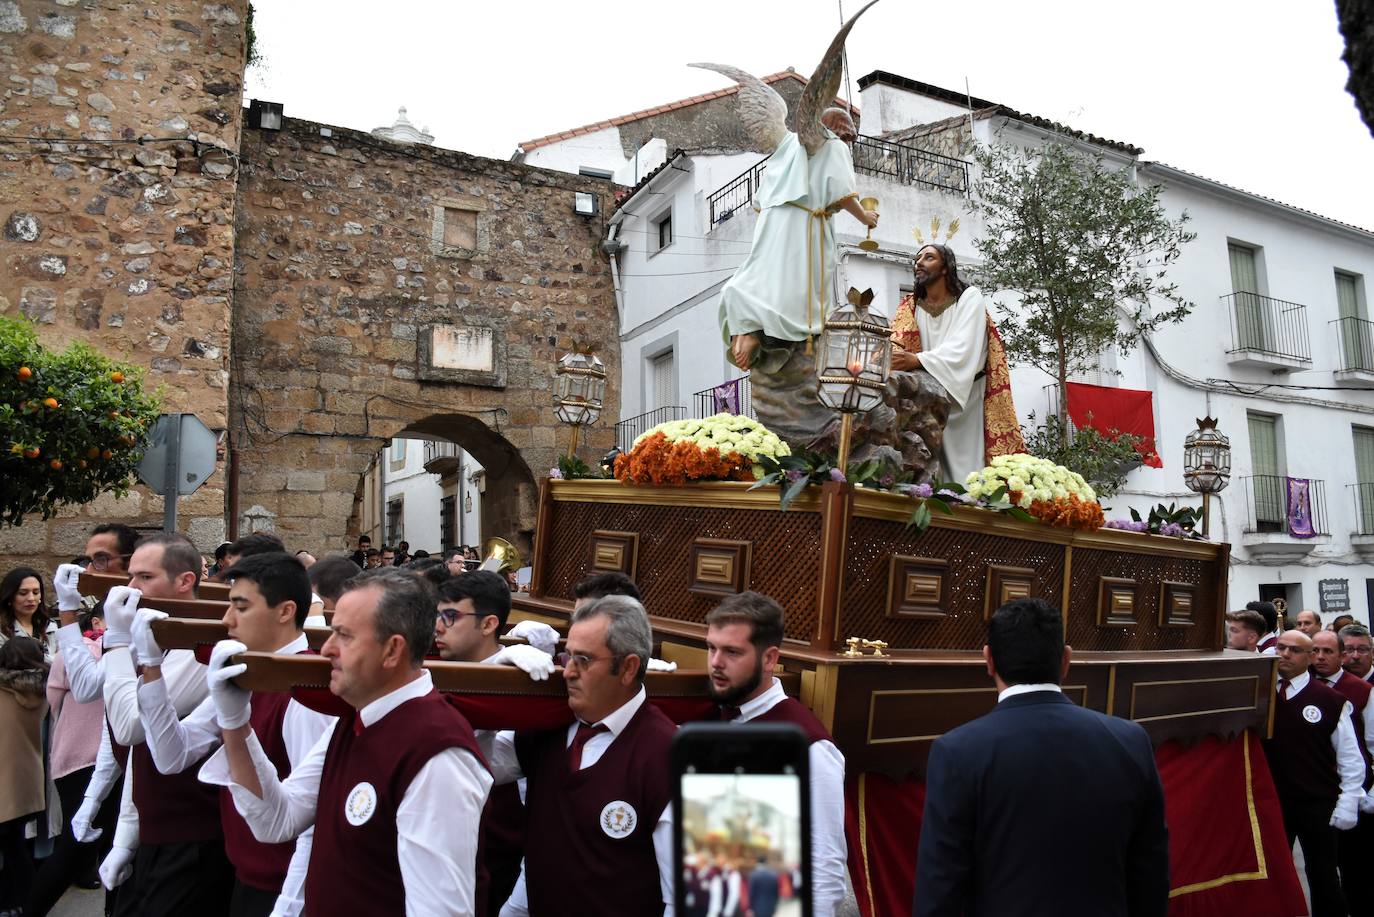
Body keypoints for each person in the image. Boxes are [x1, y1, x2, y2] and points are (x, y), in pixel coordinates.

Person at [214, 567, 491, 915]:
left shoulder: (436, 753)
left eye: (344, 636)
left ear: (392, 651)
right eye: (331, 632)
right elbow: (276, 821)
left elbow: (439, 910)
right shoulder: (353, 719)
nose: (327, 649)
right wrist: (235, 724)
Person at [914, 597, 1168, 917]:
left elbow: (941, 884)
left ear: (989, 660)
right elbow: (1150, 875)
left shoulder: (958, 751)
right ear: (1066, 660)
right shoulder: (1129, 741)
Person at [133, 552, 336, 917]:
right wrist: (151, 667)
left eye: (240, 607)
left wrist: (288, 909)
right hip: (241, 874)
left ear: (286, 611)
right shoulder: (246, 675)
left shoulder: (303, 694)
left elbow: (312, 823)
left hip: (280, 887)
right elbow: (171, 756)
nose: (227, 620)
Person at [488, 595, 676, 917]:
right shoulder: (548, 729)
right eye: (567, 657)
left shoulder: (669, 755)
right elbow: (476, 764)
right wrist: (491, 668)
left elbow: (682, 899)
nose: (567, 673)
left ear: (629, 667)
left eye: (584, 660)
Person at [99, 533, 234, 916]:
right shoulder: (155, 633)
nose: (130, 587)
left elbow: (129, 727)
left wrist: (117, 640)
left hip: (190, 837)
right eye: (131, 575)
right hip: (153, 829)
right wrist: (126, 835)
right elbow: (135, 751)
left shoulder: (199, 648)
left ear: (185, 581)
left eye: (144, 577)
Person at [704, 592, 846, 916]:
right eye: (712, 648)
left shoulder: (811, 748)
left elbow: (825, 869)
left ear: (769, 659)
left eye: (732, 652)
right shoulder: (711, 717)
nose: (715, 663)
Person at [432, 571, 554, 915]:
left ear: (488, 625)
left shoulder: (522, 681)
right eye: (437, 616)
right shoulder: (430, 675)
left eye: (451, 616)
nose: (438, 627)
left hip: (500, 856)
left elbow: (492, 770)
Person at [889, 244, 1025, 482]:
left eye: (928, 258)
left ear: (945, 268)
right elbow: (895, 344)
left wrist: (916, 359)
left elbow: (963, 349)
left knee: (967, 476)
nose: (919, 262)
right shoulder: (909, 307)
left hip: (965, 398)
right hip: (926, 400)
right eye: (917, 258)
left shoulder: (969, 299)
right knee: (928, 471)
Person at [1264, 629, 1365, 917]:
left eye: (1294, 650)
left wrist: (1348, 802)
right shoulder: (1260, 693)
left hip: (1317, 804)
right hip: (1273, 803)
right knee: (1273, 875)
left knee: (1323, 875)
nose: (1284, 654)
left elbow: (1350, 757)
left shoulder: (1330, 700)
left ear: (1309, 657)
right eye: (1281, 647)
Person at [26, 610, 109, 915]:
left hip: (113, 758)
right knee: (74, 846)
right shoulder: (78, 651)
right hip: (79, 757)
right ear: (97, 623)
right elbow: (55, 693)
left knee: (106, 848)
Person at [1311, 630, 1374, 916]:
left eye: (1328, 652)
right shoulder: (1304, 686)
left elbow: (1369, 743)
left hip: (1354, 789)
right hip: (1317, 790)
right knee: (1323, 868)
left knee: (1355, 866)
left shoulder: (1361, 690)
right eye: (1315, 651)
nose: (1320, 658)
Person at [0, 636, 50, 915]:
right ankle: (18, 901)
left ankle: (23, 901)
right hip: (27, 779)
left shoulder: (4, 691)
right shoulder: (41, 691)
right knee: (15, 844)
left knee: (12, 847)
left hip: (3, 781)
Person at [0, 566, 53, 657]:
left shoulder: (49, 626)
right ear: (10, 596)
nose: (31, 598)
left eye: (36, 592)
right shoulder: (2, 629)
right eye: (23, 593)